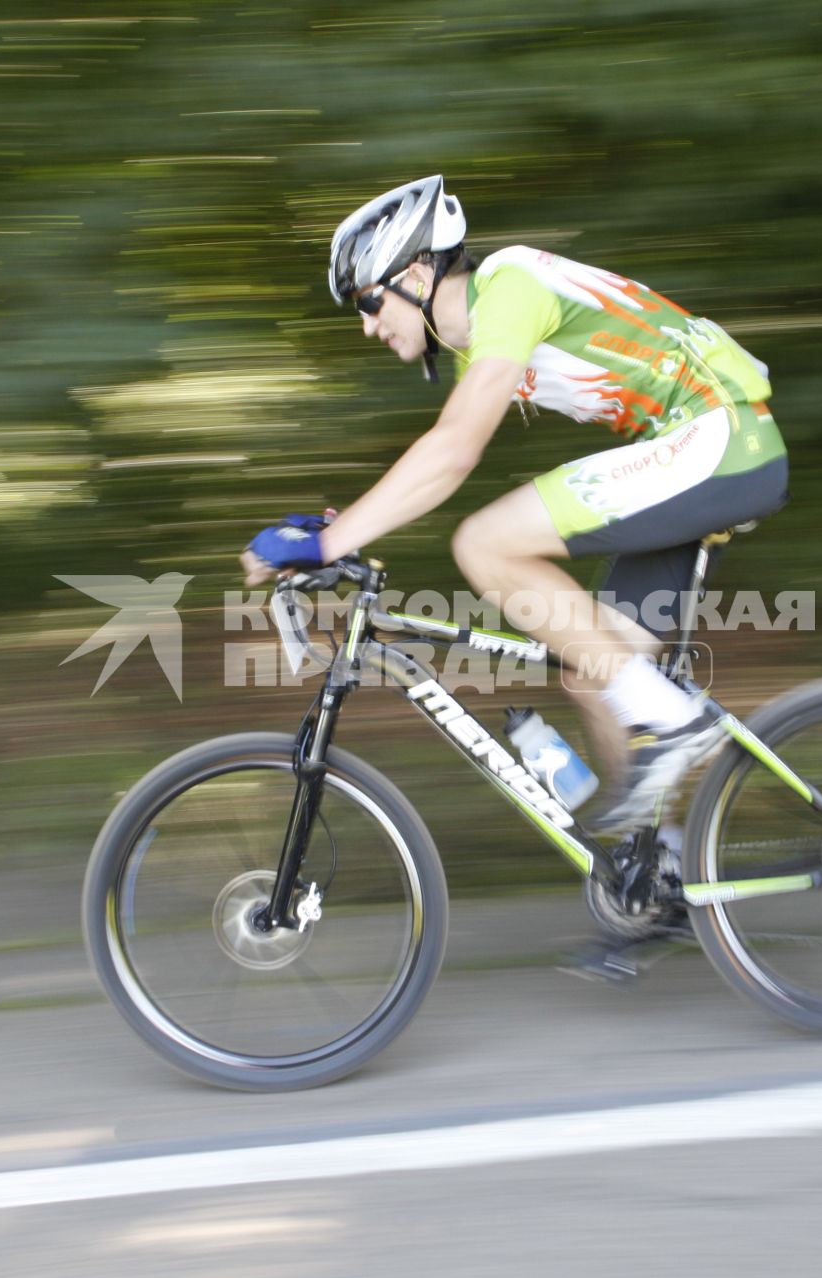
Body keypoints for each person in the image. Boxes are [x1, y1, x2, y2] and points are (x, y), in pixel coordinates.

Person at [241, 175, 788, 834]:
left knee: (485, 543)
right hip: (696, 445)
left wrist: (330, 544)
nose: (365, 327)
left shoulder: (509, 286)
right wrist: (348, 527)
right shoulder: (480, 332)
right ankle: (659, 876)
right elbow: (438, 458)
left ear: (414, 274)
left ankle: (675, 722)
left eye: (366, 301)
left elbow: (453, 450)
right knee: (596, 673)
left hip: (717, 436)